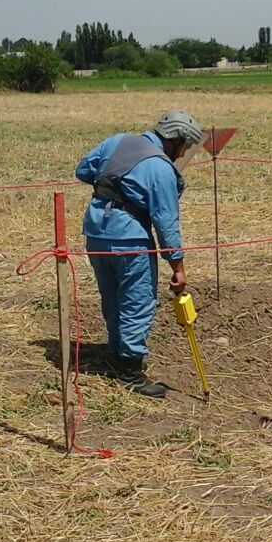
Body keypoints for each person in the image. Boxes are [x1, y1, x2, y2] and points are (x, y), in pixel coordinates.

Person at [74, 109, 202, 398]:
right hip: (129, 240)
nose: (184, 152)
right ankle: (130, 371)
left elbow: (83, 170)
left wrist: (113, 185)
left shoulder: (117, 141)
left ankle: (115, 352)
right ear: (176, 138)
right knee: (137, 301)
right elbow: (166, 223)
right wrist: (178, 267)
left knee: (112, 296)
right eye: (185, 145)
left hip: (96, 233)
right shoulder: (160, 168)